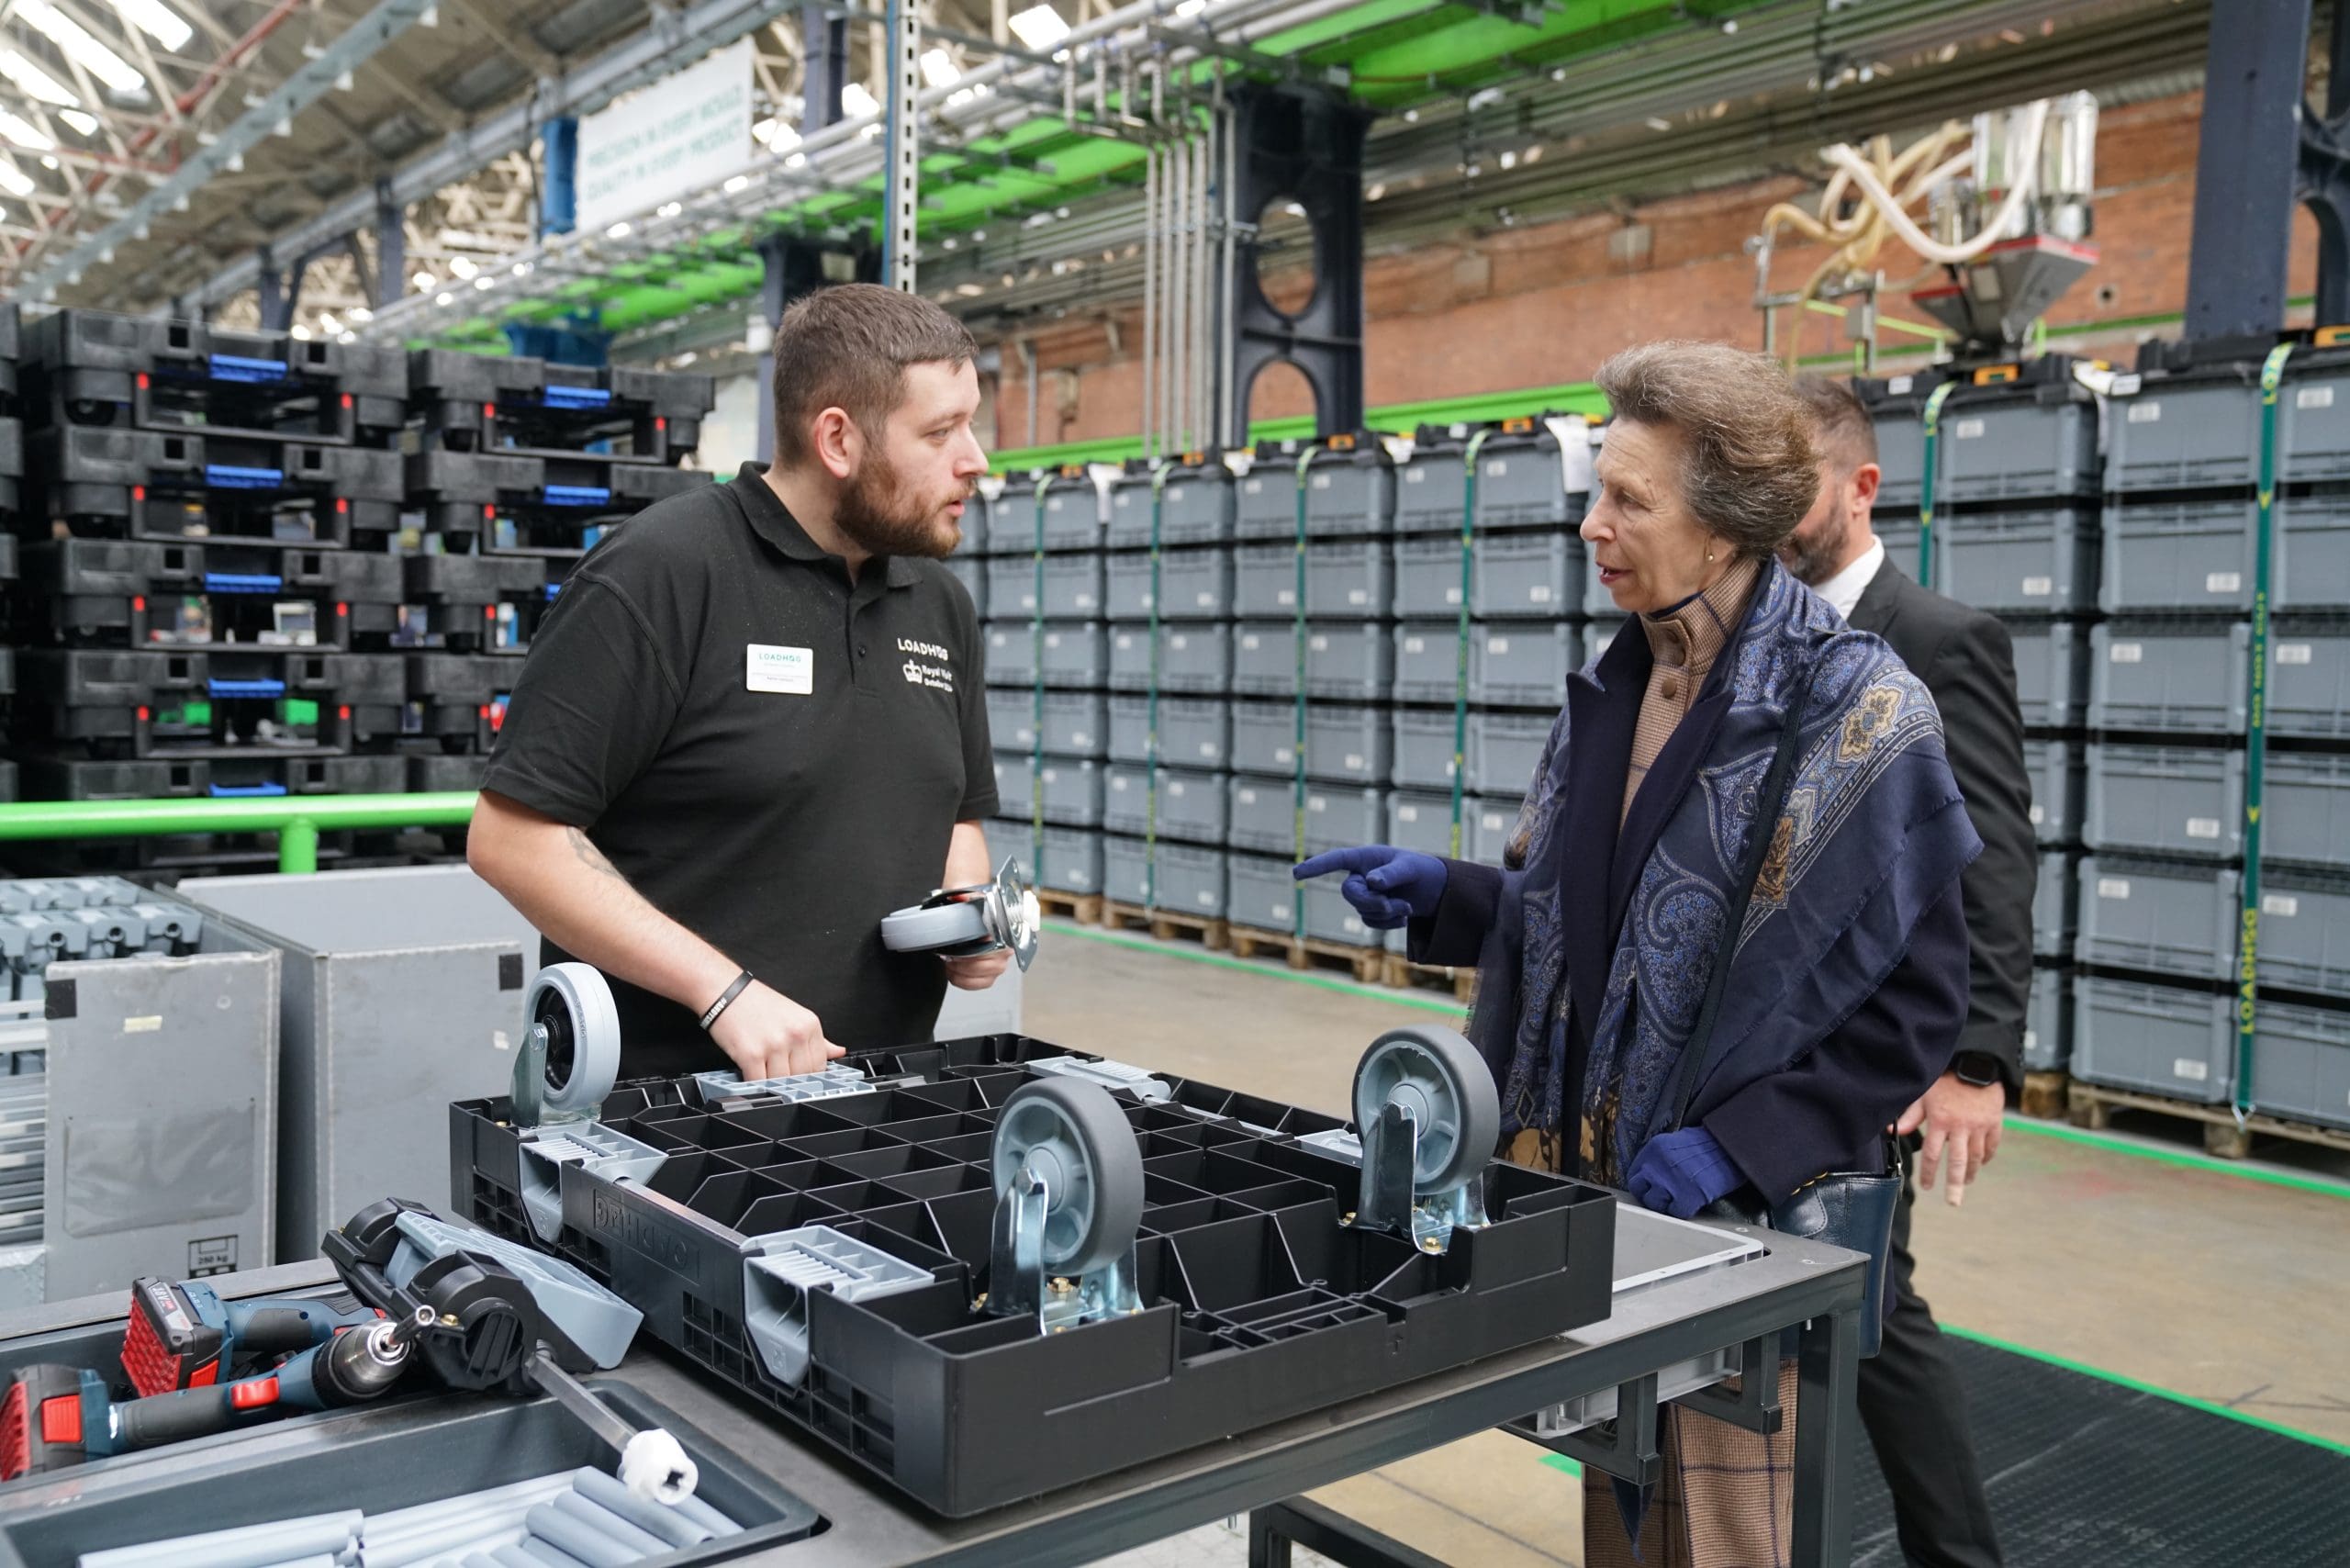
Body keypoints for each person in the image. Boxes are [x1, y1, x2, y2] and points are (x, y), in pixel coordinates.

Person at [1296, 341, 1980, 1568]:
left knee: (1718, 1540)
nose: (1591, 525)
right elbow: (1599, 923)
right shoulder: (1624, 684)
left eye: (1628, 500)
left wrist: (1740, 1143)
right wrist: (1453, 894)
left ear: (1721, 528)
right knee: (1619, 1530)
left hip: (1740, 1234)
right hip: (1601, 1211)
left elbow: (1918, 1008)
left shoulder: (1857, 712)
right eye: (1596, 491)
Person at [468, 283, 1007, 1083]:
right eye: (940, 432)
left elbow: (955, 810)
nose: (976, 459)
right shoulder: (662, 574)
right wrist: (722, 993)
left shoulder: (938, 603)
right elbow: (512, 841)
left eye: (970, 424)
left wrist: (964, 913)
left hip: (883, 1095)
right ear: (838, 440)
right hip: (666, 1111)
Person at [1785, 374, 2034, 1568]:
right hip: (1772, 1035)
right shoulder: (1758, 633)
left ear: (1861, 487)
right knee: (1834, 1297)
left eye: (1789, 487)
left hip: (1874, 1044)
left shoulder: (1937, 640)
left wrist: (1975, 1061)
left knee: (1872, 1296)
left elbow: (1992, 855)